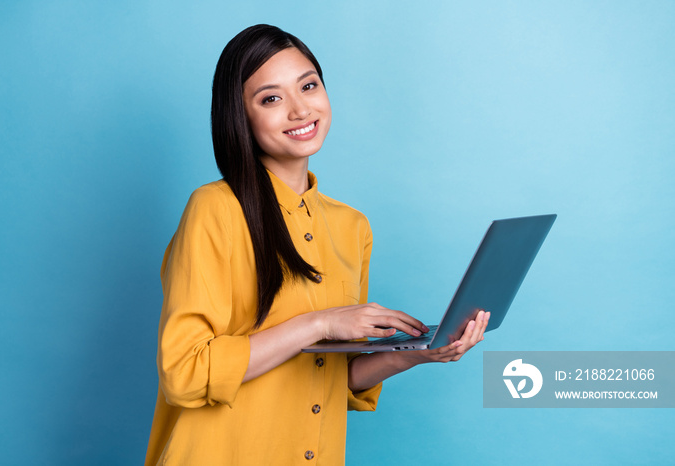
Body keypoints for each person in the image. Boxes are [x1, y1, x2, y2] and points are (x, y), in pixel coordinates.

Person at [145, 24, 489, 466]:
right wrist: (319, 323)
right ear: (240, 115)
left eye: (308, 85)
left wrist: (419, 353)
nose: (299, 108)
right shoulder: (214, 209)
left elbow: (331, 377)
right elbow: (184, 373)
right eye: (271, 98)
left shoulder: (352, 227)